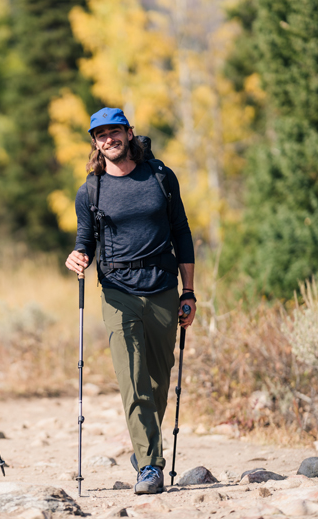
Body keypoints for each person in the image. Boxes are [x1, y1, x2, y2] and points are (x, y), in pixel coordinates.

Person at [65, 107, 196, 495]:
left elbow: (182, 233)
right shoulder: (91, 189)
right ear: (94, 142)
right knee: (132, 380)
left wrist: (188, 292)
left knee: (158, 379)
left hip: (162, 289)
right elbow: (84, 242)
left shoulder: (160, 177)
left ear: (129, 132)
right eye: (101, 135)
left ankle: (144, 448)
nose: (109, 139)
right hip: (117, 292)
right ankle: (151, 466)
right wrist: (77, 257)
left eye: (115, 131)